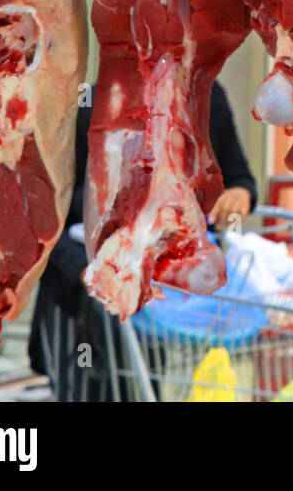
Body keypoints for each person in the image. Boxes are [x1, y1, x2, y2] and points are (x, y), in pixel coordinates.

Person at [28, 80, 256, 401]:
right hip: (80, 303)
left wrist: (238, 194)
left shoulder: (205, 95)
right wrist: (88, 272)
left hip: (158, 305)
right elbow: (44, 216)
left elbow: (239, 178)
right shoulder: (88, 104)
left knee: (143, 391)